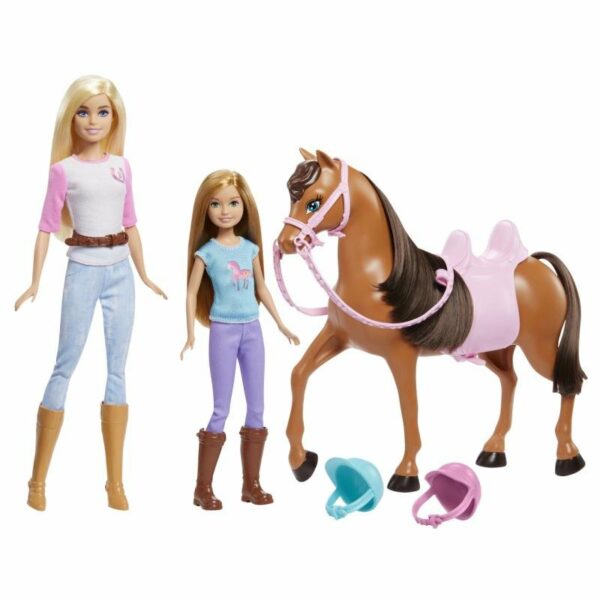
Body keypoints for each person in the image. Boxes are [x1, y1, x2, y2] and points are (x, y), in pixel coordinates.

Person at [15, 75, 166, 511]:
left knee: (117, 370)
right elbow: (45, 227)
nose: (93, 120)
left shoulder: (122, 166)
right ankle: (37, 480)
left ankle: (114, 483)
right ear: (71, 117)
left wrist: (145, 274)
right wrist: (35, 282)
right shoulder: (63, 171)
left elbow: (131, 222)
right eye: (83, 112)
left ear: (114, 117)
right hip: (82, 269)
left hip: (120, 271)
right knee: (65, 364)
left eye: (102, 112)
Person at [181, 170, 299, 510]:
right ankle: (203, 488)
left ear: (244, 206)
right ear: (205, 209)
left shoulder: (250, 249)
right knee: (221, 408)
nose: (225, 211)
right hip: (223, 330)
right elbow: (191, 293)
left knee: (257, 407)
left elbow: (262, 288)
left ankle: (252, 484)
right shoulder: (207, 252)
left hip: (253, 330)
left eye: (233, 203)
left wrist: (281, 324)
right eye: (216, 204)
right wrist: (190, 332)